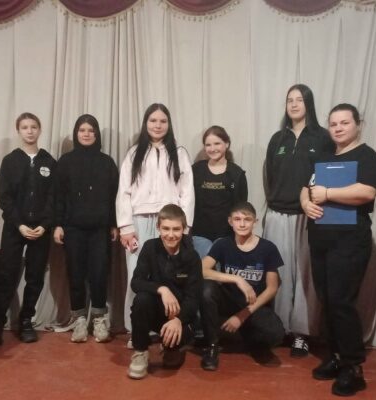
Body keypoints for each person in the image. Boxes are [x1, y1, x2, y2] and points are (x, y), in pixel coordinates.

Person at [301, 104, 376, 396]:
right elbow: (307, 186)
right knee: (327, 300)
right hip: (320, 240)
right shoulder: (323, 156)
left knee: (342, 302)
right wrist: (305, 202)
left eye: (344, 123)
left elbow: (367, 191)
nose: (337, 128)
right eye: (333, 123)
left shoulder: (366, 156)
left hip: (349, 241)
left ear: (357, 124)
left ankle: (353, 367)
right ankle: (336, 357)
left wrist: (328, 194)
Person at [0, 112, 56, 354]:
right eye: (25, 127)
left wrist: (45, 224)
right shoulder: (10, 161)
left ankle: (26, 321)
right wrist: (19, 224)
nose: (30, 131)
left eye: (34, 127)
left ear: (40, 130)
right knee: (6, 275)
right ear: (18, 131)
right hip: (15, 228)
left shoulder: (49, 162)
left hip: (40, 229)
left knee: (35, 276)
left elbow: (53, 198)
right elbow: (5, 198)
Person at [264, 83, 334, 357]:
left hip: (308, 216)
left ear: (309, 104)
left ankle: (301, 334)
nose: (293, 104)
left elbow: (326, 176)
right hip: (277, 214)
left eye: (299, 100)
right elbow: (270, 176)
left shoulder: (322, 137)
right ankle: (279, 328)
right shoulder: (277, 139)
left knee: (306, 277)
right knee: (279, 275)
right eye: (289, 100)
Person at [116, 103, 194, 335]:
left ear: (168, 124)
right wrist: (126, 226)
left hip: (169, 224)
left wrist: (184, 227)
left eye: (162, 121)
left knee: (168, 275)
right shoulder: (134, 153)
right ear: (145, 123)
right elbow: (124, 191)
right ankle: (136, 330)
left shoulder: (179, 153)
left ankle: (167, 326)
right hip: (139, 222)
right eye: (153, 120)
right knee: (137, 273)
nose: (158, 125)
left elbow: (187, 192)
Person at [52, 114, 119, 343]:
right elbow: (58, 196)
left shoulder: (107, 162)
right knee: (76, 273)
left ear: (96, 134)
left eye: (91, 130)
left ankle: (99, 319)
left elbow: (114, 196)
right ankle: (79, 319)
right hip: (73, 228)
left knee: (99, 273)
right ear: (76, 133)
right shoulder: (65, 162)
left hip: (100, 229)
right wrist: (58, 224)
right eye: (82, 130)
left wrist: (113, 223)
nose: (87, 134)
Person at [200, 202, 285, 371]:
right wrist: (238, 279)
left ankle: (249, 338)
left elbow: (272, 288)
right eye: (237, 219)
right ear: (230, 221)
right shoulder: (223, 244)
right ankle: (211, 346)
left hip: (253, 304)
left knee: (276, 334)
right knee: (206, 289)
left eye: (247, 219)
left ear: (255, 222)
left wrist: (242, 315)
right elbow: (202, 270)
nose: (242, 224)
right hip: (228, 300)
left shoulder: (268, 248)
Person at [127, 204, 203, 379]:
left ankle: (172, 348)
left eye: (176, 229)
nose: (171, 234)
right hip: (156, 310)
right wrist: (162, 289)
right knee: (141, 300)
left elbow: (193, 298)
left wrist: (179, 319)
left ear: (184, 229)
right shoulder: (150, 248)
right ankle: (140, 352)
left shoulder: (192, 257)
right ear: (158, 228)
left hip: (180, 317)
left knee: (172, 361)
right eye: (166, 229)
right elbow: (136, 282)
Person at [192, 126, 247, 258]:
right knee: (203, 268)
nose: (212, 148)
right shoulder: (196, 170)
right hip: (200, 234)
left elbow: (241, 208)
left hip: (226, 235)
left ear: (226, 144)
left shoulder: (237, 173)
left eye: (217, 143)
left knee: (220, 269)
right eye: (208, 145)